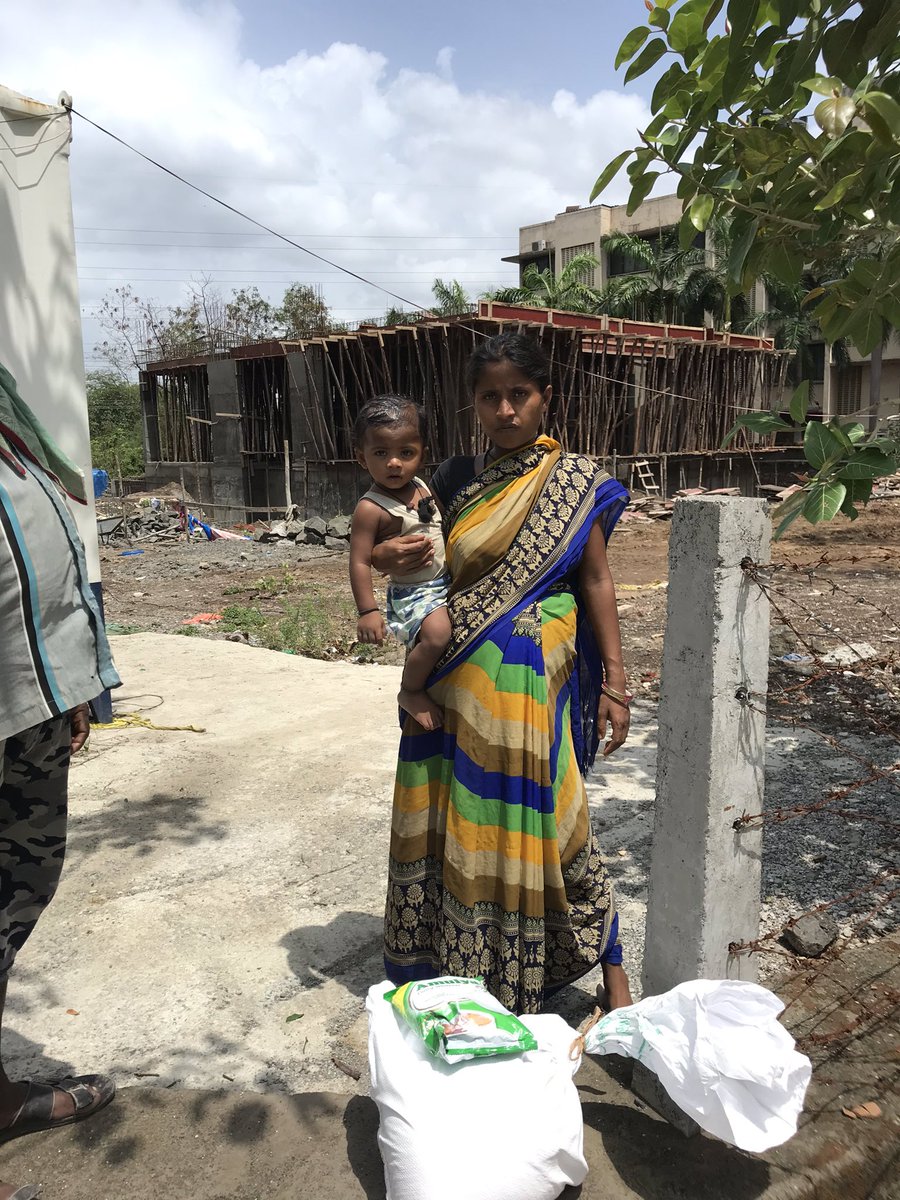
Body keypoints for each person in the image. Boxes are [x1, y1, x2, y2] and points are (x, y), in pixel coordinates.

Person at [373, 333, 633, 1015]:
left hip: (532, 654)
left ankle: (611, 972)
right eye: (491, 396)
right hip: (453, 661)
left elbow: (598, 580)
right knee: (450, 810)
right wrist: (385, 562)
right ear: (474, 404)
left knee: (555, 806)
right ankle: (449, 959)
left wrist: (617, 681)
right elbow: (414, 563)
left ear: (546, 396)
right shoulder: (454, 480)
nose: (507, 409)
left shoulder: (574, 481)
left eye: (520, 394)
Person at [0, 363, 119, 1200]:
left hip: (31, 713)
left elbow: (49, 568)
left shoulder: (12, 423)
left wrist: (77, 688)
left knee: (16, 895)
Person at [350, 395, 451, 732]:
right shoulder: (371, 508)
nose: (394, 463)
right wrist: (368, 611)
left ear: (422, 453)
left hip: (446, 582)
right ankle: (410, 690)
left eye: (405, 453)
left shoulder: (422, 486)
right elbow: (360, 561)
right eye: (381, 454)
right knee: (437, 636)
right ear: (362, 458)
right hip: (415, 591)